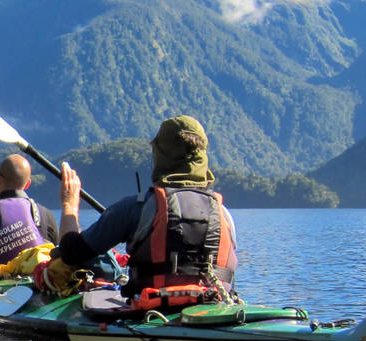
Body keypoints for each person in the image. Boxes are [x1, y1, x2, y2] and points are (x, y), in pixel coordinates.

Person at [54, 115, 237, 301]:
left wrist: (69, 204)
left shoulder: (135, 208)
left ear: (160, 156)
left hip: (154, 312)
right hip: (215, 309)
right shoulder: (225, 216)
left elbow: (71, 252)